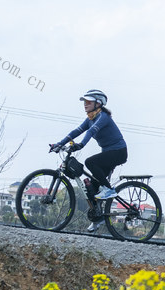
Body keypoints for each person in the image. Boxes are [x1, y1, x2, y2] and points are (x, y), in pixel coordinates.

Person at [50, 89, 127, 231]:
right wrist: (59, 144)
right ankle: (98, 218)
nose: (85, 104)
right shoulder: (90, 118)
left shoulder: (103, 117)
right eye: (84, 102)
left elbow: (91, 132)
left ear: (98, 103)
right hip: (108, 152)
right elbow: (76, 131)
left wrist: (81, 145)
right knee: (92, 188)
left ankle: (109, 190)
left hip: (118, 152)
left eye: (88, 101)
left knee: (90, 162)